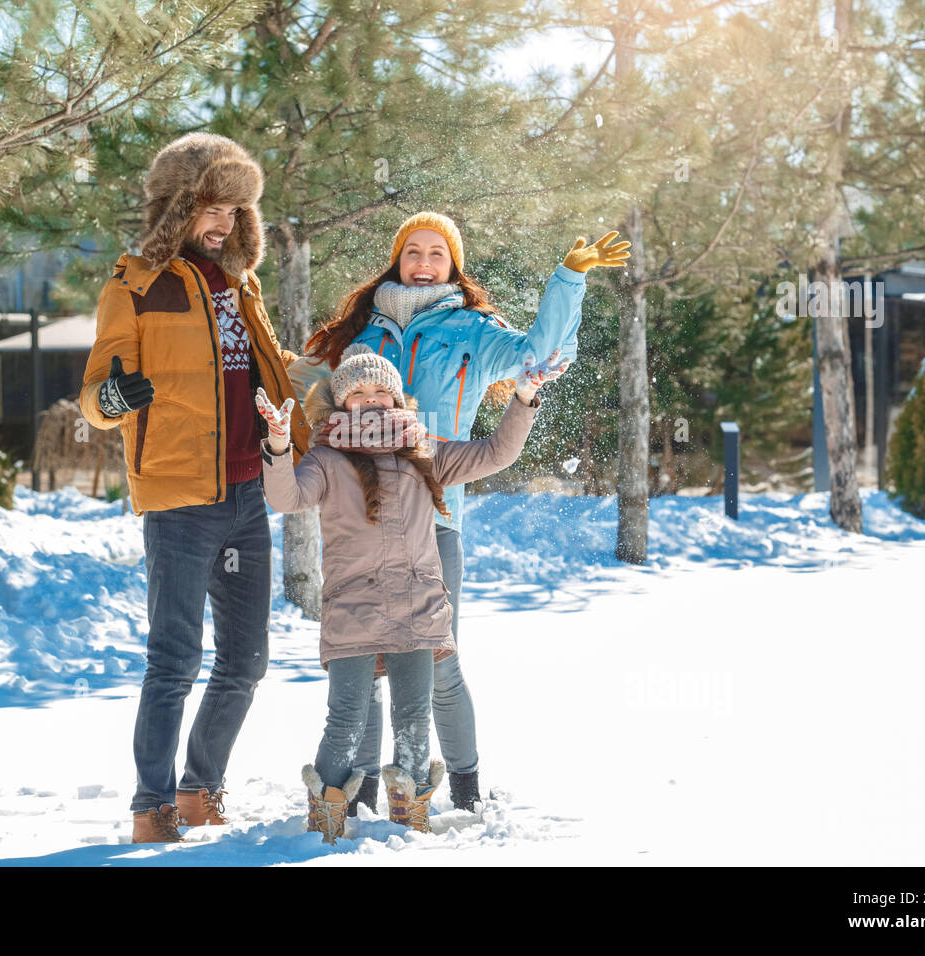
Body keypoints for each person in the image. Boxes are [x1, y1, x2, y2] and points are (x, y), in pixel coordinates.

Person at [287, 212, 629, 813]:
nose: (422, 262)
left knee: (439, 663)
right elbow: (292, 382)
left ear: (453, 266)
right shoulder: (356, 335)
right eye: (412, 251)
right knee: (363, 671)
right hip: (357, 524)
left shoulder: (473, 330)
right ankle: (361, 792)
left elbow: (541, 354)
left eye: (436, 254)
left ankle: (464, 789)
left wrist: (568, 279)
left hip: (435, 518)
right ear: (397, 259)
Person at [78, 132, 311, 844]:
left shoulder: (243, 286)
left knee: (246, 660)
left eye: (237, 210)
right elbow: (92, 396)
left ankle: (200, 788)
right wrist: (116, 397)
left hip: (247, 496)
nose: (224, 223)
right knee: (174, 659)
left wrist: (331, 380)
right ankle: (152, 804)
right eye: (213, 207)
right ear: (179, 207)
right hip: (179, 501)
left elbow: (271, 373)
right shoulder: (135, 285)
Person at [257, 343, 568, 843]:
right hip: (354, 610)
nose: (372, 398)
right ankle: (327, 817)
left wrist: (525, 395)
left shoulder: (425, 450)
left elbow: (496, 453)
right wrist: (275, 445)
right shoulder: (326, 457)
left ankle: (411, 815)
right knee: (346, 719)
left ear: (398, 398)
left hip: (417, 607)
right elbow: (284, 497)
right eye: (357, 391)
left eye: (382, 388)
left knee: (413, 716)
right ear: (340, 403)